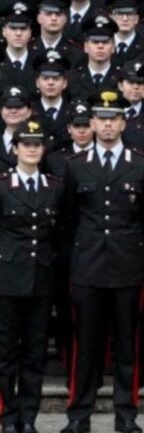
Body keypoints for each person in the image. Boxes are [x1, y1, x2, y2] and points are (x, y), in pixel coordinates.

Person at [61, 89, 144, 433]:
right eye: (101, 118)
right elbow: (69, 219)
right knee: (85, 347)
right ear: (93, 123)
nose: (108, 125)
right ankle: (78, 415)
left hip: (128, 267)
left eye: (114, 118)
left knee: (127, 346)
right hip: (87, 268)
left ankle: (126, 414)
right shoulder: (75, 166)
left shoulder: (141, 164)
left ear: (123, 122)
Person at [0, 119, 64, 433]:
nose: (32, 149)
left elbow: (60, 231)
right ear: (15, 149)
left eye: (37, 145)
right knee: (6, 353)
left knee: (35, 353)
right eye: (26, 144)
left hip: (41, 279)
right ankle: (8, 417)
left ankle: (28, 417)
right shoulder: (2, 185)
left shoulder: (54, 187)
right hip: (8, 280)